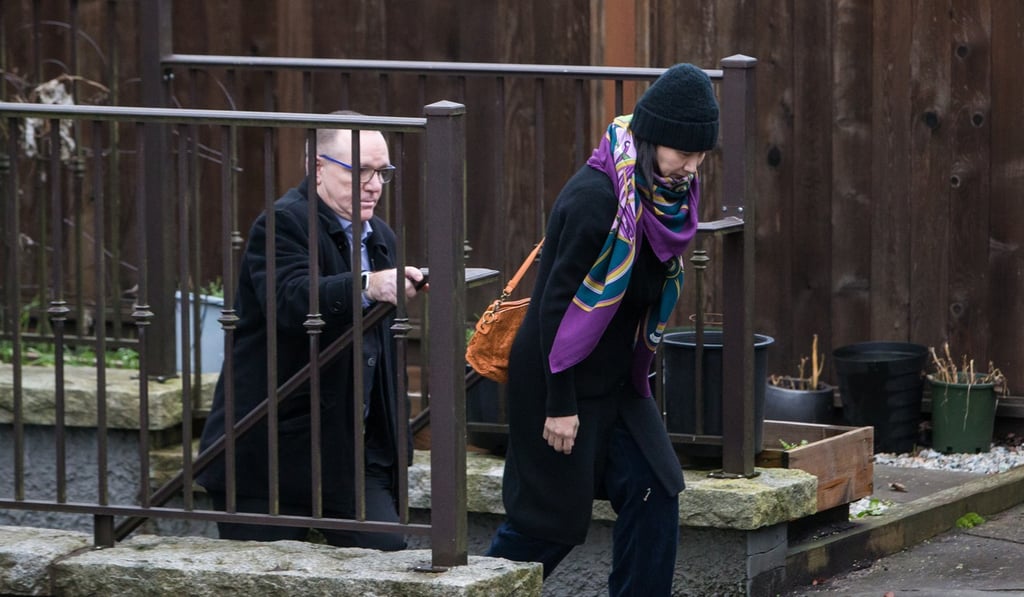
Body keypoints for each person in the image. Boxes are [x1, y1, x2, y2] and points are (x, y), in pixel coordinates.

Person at [484, 64, 719, 594]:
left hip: (617, 383)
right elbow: (553, 308)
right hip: (557, 379)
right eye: (684, 153)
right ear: (654, 138)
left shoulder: (664, 198)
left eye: (701, 154)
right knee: (545, 526)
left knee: (656, 489)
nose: (692, 167)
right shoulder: (595, 198)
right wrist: (559, 404)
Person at [197, 113, 425, 550]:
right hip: (271, 454)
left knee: (388, 556)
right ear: (318, 167)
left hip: (352, 455)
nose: (374, 185)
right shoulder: (283, 222)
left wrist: (393, 443)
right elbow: (291, 299)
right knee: (261, 575)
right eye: (360, 171)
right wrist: (367, 285)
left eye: (382, 172)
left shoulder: (380, 235)